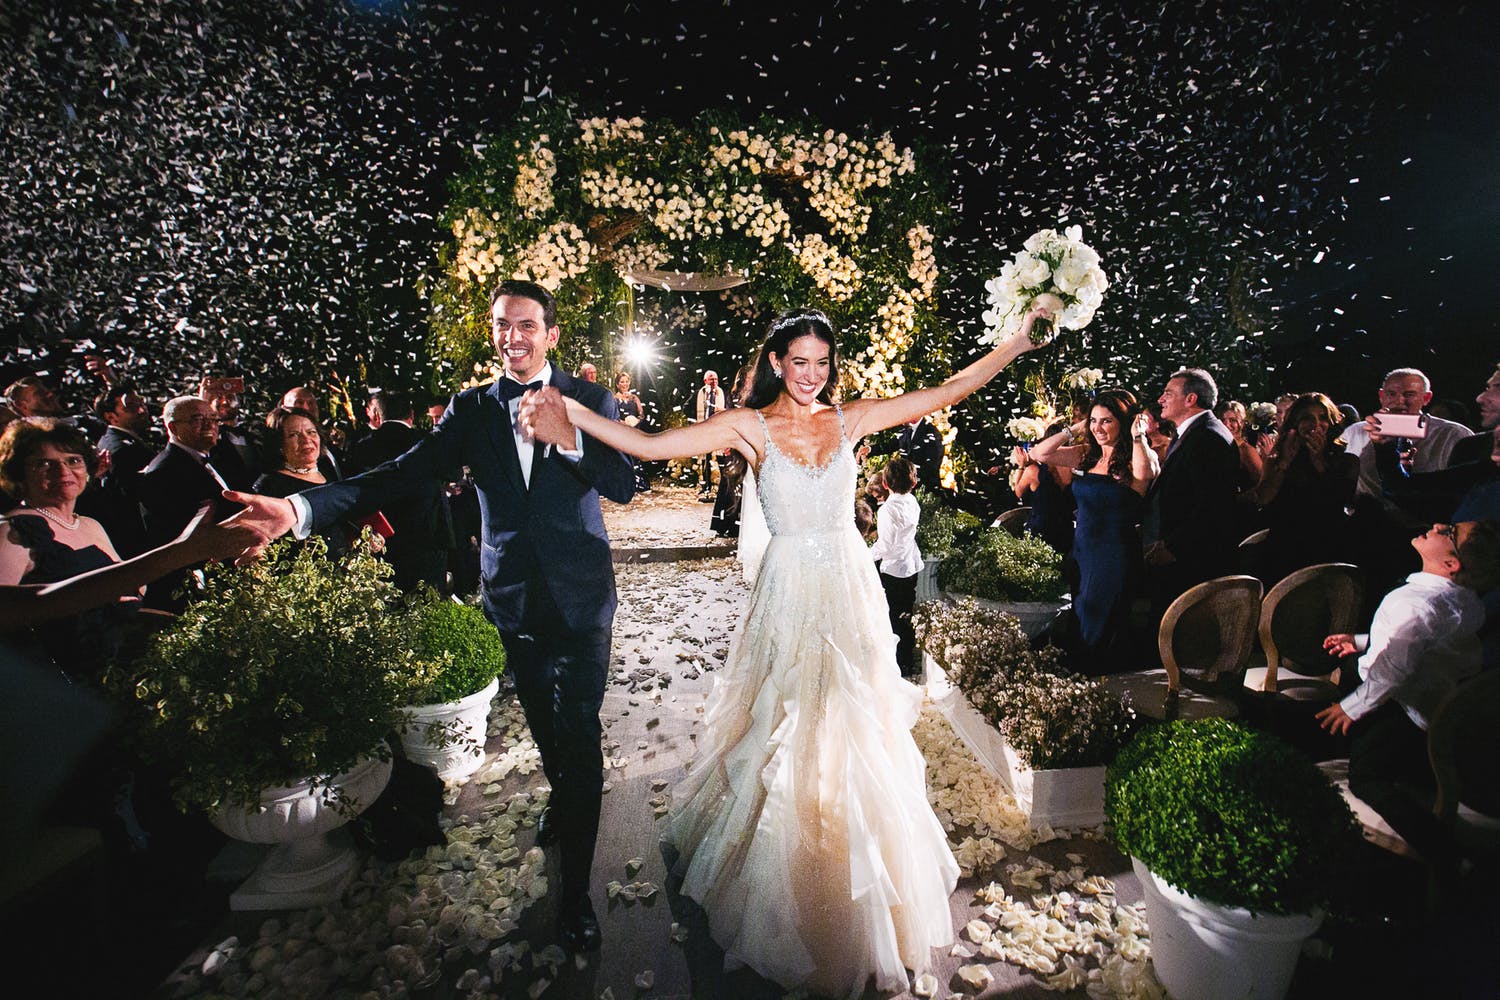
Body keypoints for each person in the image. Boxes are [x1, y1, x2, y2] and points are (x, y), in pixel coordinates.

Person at [523, 302, 1054, 995]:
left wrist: (1016, 342)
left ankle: (855, 880)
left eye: (821, 364)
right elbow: (652, 445)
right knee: (786, 728)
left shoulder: (849, 418)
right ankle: (787, 883)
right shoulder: (749, 426)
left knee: (855, 732)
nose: (810, 375)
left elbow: (949, 390)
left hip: (849, 594)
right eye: (798, 362)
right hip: (788, 593)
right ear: (777, 364)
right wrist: (575, 417)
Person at [224, 279, 634, 954]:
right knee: (543, 722)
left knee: (579, 732)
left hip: (582, 597)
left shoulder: (590, 399)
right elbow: (397, 475)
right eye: (503, 324)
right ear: (493, 330)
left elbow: (623, 484)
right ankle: (564, 794)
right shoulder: (471, 411)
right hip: (512, 600)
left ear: (551, 334)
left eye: (528, 325)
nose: (514, 337)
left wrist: (570, 441)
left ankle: (577, 896)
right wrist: (299, 510)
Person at [1316, 520, 1500, 876]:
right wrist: (1359, 642)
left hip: (1399, 709)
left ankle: (1448, 856)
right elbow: (1418, 643)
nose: (1435, 525)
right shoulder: (1464, 601)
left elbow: (1393, 671)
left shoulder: (1413, 604)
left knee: (1368, 780)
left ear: (1451, 564)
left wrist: (1349, 708)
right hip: (1431, 703)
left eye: (1447, 532)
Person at [1029, 389, 1158, 670]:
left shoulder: (1136, 456)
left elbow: (1145, 475)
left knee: (1099, 625)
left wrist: (1138, 436)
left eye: (1107, 421)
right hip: (1083, 552)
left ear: (1123, 423)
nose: (1098, 428)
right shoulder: (1087, 455)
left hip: (1113, 556)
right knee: (1080, 618)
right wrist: (1075, 427)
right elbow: (1040, 452)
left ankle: (1094, 683)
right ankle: (1081, 681)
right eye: (1094, 421)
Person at [0, 418, 132, 678]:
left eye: (73, 460)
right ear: (19, 474)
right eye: (43, 464)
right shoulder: (10, 533)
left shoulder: (90, 525)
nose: (62, 472)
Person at [1142, 368, 1241, 613]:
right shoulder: (1191, 433)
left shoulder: (1209, 437)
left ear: (1191, 399)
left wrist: (1173, 547)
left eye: (1168, 393)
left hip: (1191, 562)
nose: (1160, 400)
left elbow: (1212, 505)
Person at [136, 396, 243, 612]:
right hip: (195, 592)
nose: (210, 425)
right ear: (173, 427)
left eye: (213, 419)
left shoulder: (217, 458)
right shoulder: (162, 473)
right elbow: (172, 539)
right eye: (197, 419)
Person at [1248, 392, 1358, 585]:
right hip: (1283, 549)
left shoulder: (1348, 461)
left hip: (1325, 550)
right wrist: (1283, 463)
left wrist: (1319, 461)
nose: (1316, 424)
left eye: (1323, 418)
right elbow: (1263, 498)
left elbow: (1340, 501)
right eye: (1307, 418)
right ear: (1296, 423)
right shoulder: (1278, 458)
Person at [348, 390, 451, 592]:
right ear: (411, 414)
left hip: (385, 535)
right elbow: (454, 473)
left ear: (378, 415)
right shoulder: (427, 440)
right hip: (428, 533)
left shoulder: (363, 447)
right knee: (430, 599)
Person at [252, 406, 362, 553]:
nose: (306, 440)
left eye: (311, 432)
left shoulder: (329, 471)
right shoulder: (269, 485)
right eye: (294, 435)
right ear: (279, 445)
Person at [868, 457, 923, 676]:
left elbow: (886, 545)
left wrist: (866, 554)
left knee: (893, 617)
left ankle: (899, 663)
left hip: (894, 570)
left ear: (885, 484)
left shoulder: (887, 510)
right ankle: (907, 658)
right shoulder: (913, 502)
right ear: (914, 484)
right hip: (910, 564)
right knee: (906, 613)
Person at [693, 369, 726, 499]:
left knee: (719, 458)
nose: (714, 382)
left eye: (716, 379)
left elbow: (724, 408)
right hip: (704, 428)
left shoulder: (720, 392)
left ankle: (721, 486)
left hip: (717, 429)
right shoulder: (701, 393)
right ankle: (705, 486)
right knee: (705, 459)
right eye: (712, 379)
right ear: (706, 380)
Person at [613, 372, 649, 492]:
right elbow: (613, 416)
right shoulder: (614, 399)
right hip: (621, 431)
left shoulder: (634, 398)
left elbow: (641, 414)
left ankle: (638, 483)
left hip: (634, 430)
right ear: (618, 384)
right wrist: (623, 423)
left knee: (636, 456)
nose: (625, 384)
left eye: (626, 381)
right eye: (622, 382)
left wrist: (636, 421)